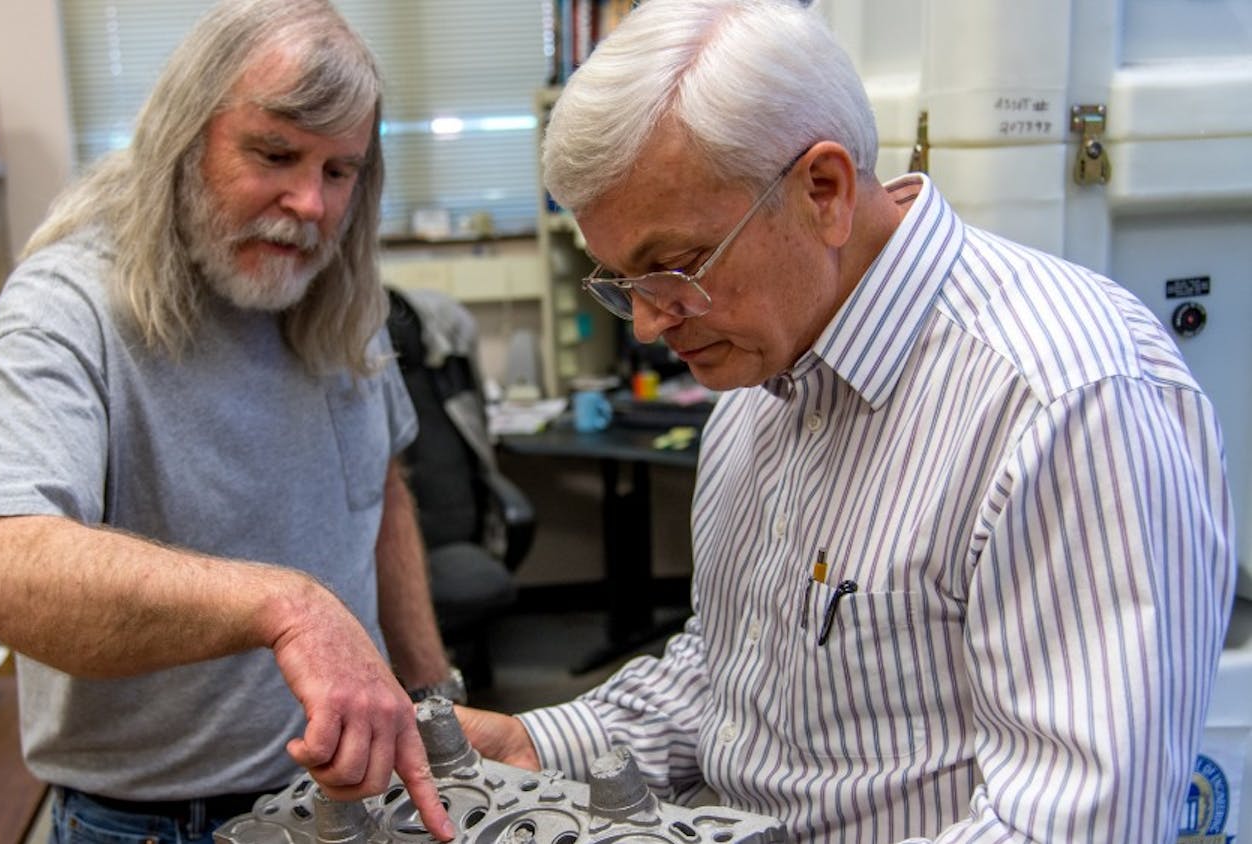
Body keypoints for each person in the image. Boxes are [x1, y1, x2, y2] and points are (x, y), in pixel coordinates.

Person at [458, 1, 1237, 841]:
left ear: (821, 192)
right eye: (619, 281)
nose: (647, 324)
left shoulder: (1066, 403)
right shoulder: (761, 378)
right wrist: (536, 742)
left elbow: (1073, 824)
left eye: (672, 267)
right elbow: (728, 682)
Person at [0, 2, 460, 842]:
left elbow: (379, 490)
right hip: (156, 822)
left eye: (340, 172)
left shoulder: (334, 285)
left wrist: (436, 700)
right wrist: (285, 605)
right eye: (276, 153)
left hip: (355, 803)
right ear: (187, 136)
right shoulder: (69, 304)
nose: (310, 204)